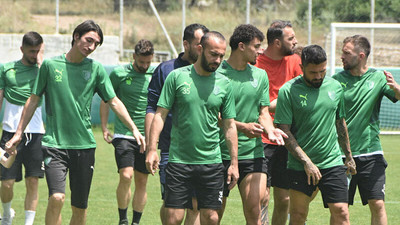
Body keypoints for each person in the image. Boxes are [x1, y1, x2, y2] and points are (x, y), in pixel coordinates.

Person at [5, 20, 145, 225]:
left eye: (96, 44)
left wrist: (134, 129)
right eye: (89, 40)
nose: (91, 47)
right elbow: (33, 100)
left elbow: (113, 101)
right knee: (57, 197)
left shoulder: (96, 69)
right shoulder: (51, 66)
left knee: (79, 209)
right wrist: (19, 132)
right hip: (54, 145)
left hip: (85, 147)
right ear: (76, 36)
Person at [146, 31, 239, 225]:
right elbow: (160, 115)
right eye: (214, 54)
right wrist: (152, 149)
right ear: (200, 49)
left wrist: (234, 162)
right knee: (173, 218)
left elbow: (230, 126)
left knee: (212, 217)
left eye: (221, 55)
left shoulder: (224, 84)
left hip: (212, 162)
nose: (218, 60)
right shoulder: (177, 77)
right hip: (179, 161)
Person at [274, 45, 356, 225]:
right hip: (299, 166)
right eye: (313, 72)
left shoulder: (335, 87)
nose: (318, 76)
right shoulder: (288, 91)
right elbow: (284, 131)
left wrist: (348, 156)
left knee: (342, 213)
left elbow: (340, 123)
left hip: (332, 162)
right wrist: (307, 162)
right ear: (302, 67)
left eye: (322, 71)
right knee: (298, 215)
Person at [216, 24, 286, 225]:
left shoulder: (260, 75)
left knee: (255, 212)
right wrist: (243, 127)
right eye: (256, 46)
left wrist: (271, 130)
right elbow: (215, 115)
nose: (260, 50)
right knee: (213, 216)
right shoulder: (217, 73)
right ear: (241, 46)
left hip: (253, 153)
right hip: (219, 153)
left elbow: (263, 113)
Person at [145, 23, 209, 225]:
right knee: (173, 208)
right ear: (186, 44)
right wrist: (150, 148)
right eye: (199, 44)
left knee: (195, 204)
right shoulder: (165, 70)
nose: (203, 49)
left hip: (200, 152)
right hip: (170, 150)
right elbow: (152, 110)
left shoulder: (210, 72)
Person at [333, 35, 400, 225]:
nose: (341, 57)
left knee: (378, 204)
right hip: (340, 155)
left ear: (361, 55)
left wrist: (396, 87)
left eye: (346, 53)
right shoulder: (336, 81)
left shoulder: (378, 78)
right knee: (340, 209)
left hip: (371, 152)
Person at [100, 39, 155, 225]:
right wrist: (105, 126)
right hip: (124, 133)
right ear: (134, 57)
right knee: (126, 175)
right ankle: (123, 219)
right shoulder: (119, 73)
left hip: (147, 137)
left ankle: (135, 222)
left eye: (148, 62)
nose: (145, 66)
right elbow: (106, 99)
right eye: (141, 62)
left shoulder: (155, 75)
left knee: (142, 181)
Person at [254, 20, 302, 225]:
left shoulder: (295, 61)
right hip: (262, 138)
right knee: (261, 196)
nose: (296, 41)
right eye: (290, 38)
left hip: (286, 137)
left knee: (284, 200)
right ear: (276, 42)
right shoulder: (255, 63)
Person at [0, 31, 45, 225]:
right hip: (10, 133)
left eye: (38, 51)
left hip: (35, 134)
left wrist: (43, 65)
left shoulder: (45, 69)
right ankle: (7, 214)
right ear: (22, 49)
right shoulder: (7, 69)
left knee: (33, 180)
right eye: (31, 51)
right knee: (6, 182)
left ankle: (28, 223)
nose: (35, 55)